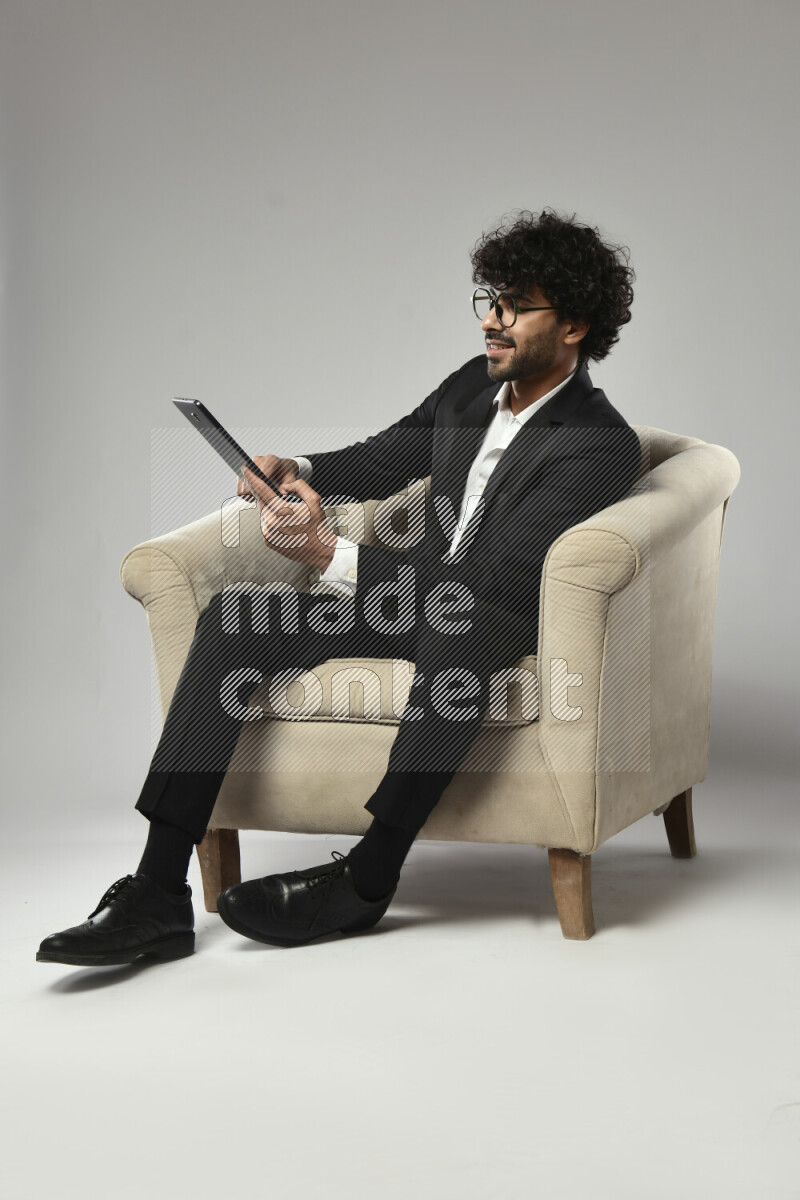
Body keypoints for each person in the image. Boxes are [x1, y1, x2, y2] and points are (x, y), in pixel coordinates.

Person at [37, 207, 641, 967]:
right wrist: (301, 472)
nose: (493, 319)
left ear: (577, 325)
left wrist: (333, 556)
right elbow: (387, 457)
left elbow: (492, 583)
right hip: (414, 595)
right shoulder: (471, 387)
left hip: (495, 621)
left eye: (517, 306)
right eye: (489, 299)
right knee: (233, 618)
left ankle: (368, 875)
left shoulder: (600, 446)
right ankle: (157, 892)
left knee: (464, 626)